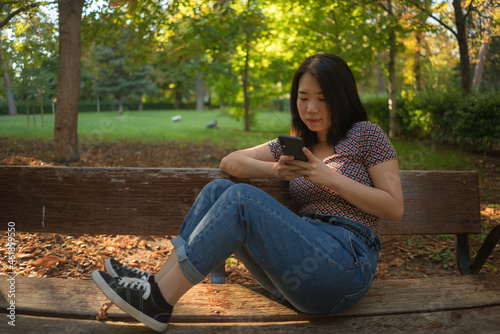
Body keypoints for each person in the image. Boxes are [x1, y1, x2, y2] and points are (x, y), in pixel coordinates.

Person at [91, 53, 404, 332]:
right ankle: (156, 285)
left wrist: (329, 177)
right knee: (219, 189)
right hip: (296, 274)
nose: (310, 108)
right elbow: (231, 161)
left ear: (341, 97)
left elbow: (393, 207)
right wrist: (274, 171)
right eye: (303, 97)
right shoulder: (297, 144)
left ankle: (158, 297)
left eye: (322, 99)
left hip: (345, 266)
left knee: (241, 200)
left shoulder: (365, 134)